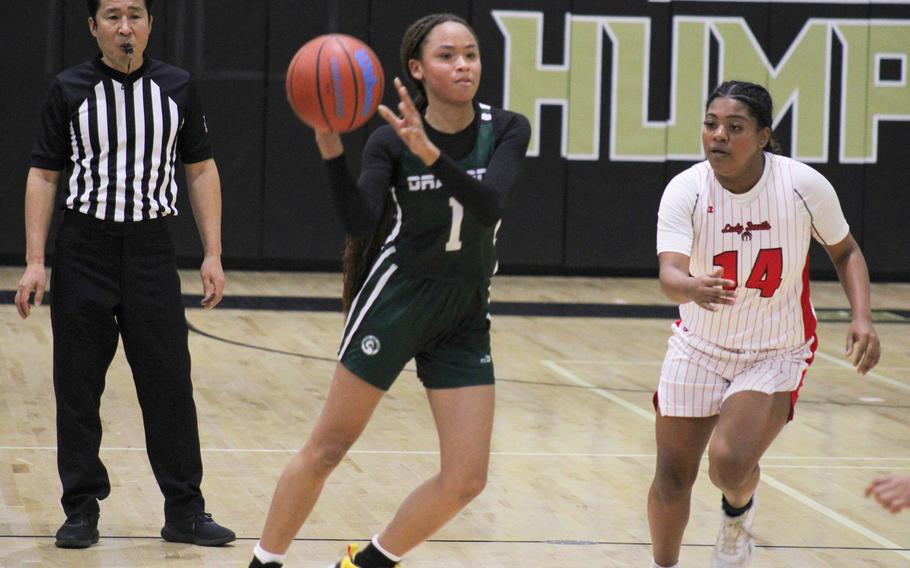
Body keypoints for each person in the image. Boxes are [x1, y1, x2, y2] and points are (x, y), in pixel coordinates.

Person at [248, 13, 530, 568]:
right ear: (417, 69)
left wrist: (431, 154)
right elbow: (360, 222)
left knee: (467, 478)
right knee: (328, 448)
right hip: (397, 300)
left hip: (465, 308)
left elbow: (490, 205)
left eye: (470, 54)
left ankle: (369, 561)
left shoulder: (508, 128)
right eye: (448, 56)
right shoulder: (388, 140)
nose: (463, 65)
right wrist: (331, 152)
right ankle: (264, 561)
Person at [15, 0, 234, 549]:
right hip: (84, 247)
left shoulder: (178, 87)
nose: (125, 26)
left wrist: (213, 253)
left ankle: (185, 510)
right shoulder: (69, 89)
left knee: (167, 384)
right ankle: (81, 509)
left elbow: (201, 168)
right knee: (78, 385)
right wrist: (36, 260)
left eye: (134, 14)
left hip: (150, 252)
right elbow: (43, 175)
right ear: (93, 28)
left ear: (150, 25)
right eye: (112, 16)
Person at [647, 81, 881, 568]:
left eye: (735, 128)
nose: (718, 136)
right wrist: (690, 286)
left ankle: (738, 515)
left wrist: (862, 317)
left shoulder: (801, 185)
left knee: (729, 462)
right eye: (711, 125)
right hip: (698, 346)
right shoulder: (686, 189)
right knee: (671, 478)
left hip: (775, 349)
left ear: (762, 136)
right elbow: (670, 275)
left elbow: (846, 250)